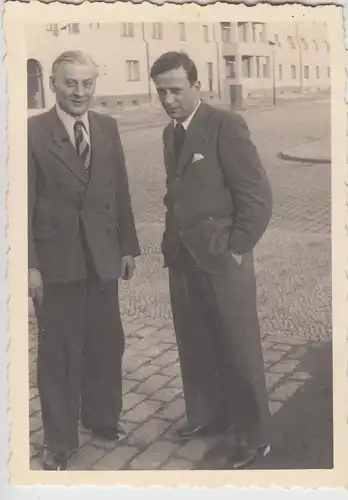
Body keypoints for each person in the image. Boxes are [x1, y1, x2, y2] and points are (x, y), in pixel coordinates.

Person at [150, 51, 273, 469]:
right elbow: (176, 193)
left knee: (237, 348)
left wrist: (238, 246)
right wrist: (172, 242)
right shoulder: (170, 133)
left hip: (223, 257)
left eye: (176, 90)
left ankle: (254, 436)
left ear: (196, 85)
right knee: (196, 341)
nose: (169, 100)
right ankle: (209, 416)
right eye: (162, 91)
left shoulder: (225, 124)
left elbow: (256, 196)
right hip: (184, 256)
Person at [28, 51, 140, 470]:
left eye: (87, 83)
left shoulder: (107, 127)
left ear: (96, 84)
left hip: (103, 257)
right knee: (59, 351)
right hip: (57, 263)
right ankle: (58, 442)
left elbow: (121, 190)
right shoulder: (32, 132)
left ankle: (102, 418)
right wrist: (29, 264)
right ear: (54, 84)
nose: (79, 92)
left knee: (106, 341)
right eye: (70, 83)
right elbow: (20, 204)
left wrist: (127, 246)